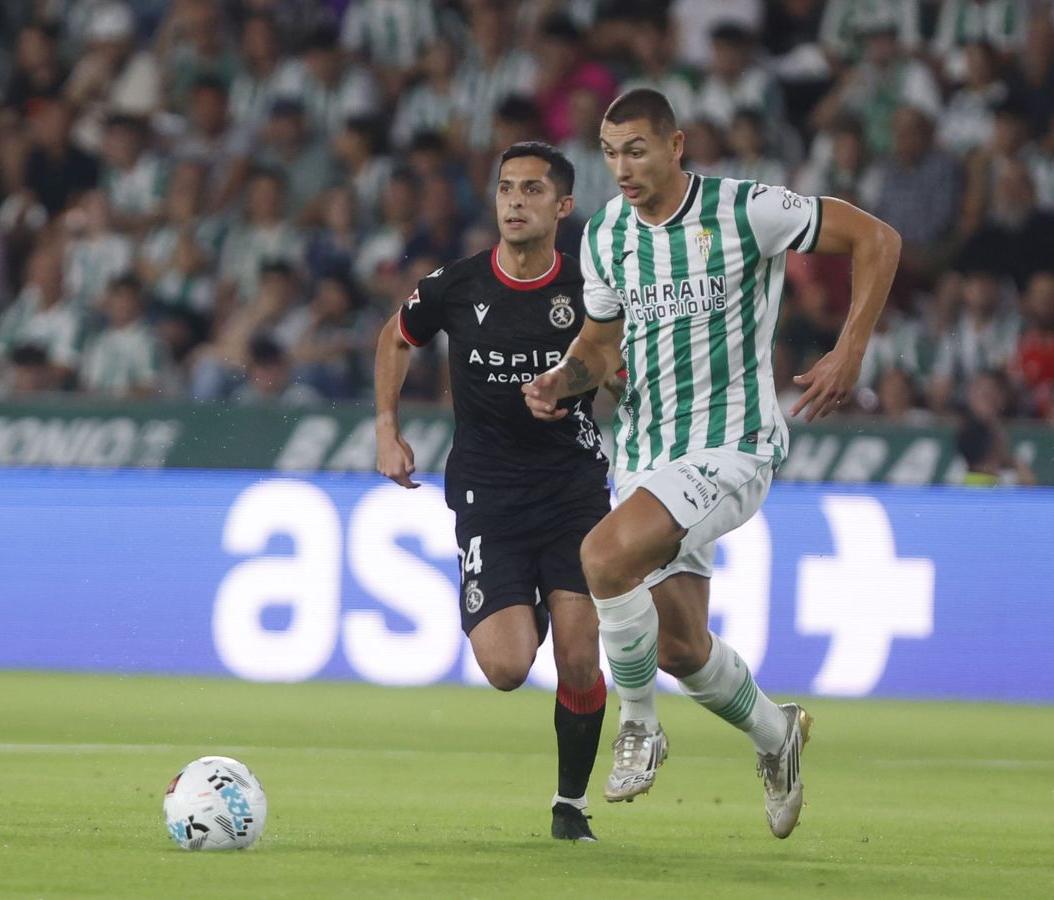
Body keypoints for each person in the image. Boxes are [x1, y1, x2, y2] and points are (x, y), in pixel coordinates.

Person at [523, 88, 900, 838]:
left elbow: (878, 239)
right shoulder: (604, 237)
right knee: (679, 645)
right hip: (645, 453)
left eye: (636, 149)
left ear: (675, 145)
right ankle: (777, 734)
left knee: (601, 557)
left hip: (732, 444)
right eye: (609, 151)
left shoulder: (745, 210)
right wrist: (559, 382)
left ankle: (639, 726)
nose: (621, 167)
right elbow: (599, 348)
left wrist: (850, 349)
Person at [375, 141, 615, 842]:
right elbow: (395, 337)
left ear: (562, 207)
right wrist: (387, 428)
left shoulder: (588, 293)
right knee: (509, 667)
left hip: (572, 491)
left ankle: (570, 805)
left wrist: (610, 377)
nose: (515, 201)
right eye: (507, 189)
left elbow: (618, 359)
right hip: (488, 498)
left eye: (532, 190)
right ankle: (526, 605)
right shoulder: (458, 285)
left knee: (578, 655)